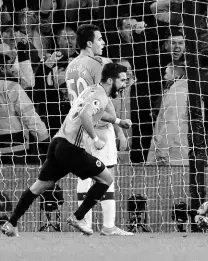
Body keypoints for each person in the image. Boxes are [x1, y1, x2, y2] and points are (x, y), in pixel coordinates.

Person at [1, 63, 132, 237]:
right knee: (106, 179)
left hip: (57, 143)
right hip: (71, 148)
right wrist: (95, 139)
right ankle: (78, 217)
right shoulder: (101, 96)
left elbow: (94, 111)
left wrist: (117, 121)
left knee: (40, 186)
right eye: (122, 80)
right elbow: (86, 115)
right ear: (110, 80)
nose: (124, 84)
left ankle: (12, 223)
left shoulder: (91, 90)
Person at [65, 24, 132, 236]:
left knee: (84, 175)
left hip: (77, 128)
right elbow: (105, 99)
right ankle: (108, 226)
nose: (103, 43)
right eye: (100, 39)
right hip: (100, 127)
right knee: (107, 173)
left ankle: (84, 222)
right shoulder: (101, 63)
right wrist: (119, 128)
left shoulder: (71, 66)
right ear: (89, 43)